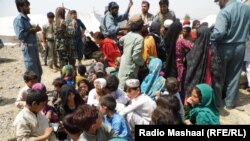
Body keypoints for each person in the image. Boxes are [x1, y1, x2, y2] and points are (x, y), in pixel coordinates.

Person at [211, 0, 250, 109]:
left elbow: (219, 32)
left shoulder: (224, 11)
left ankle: (217, 104)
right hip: (241, 46)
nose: (218, 4)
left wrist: (211, 38)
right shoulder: (247, 9)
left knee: (218, 76)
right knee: (234, 76)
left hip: (224, 46)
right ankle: (230, 103)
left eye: (218, 1)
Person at [185, 26, 222, 106]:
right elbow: (215, 68)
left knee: (193, 94)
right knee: (203, 95)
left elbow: (188, 60)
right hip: (207, 77)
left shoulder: (194, 47)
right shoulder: (211, 50)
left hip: (193, 78)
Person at [13, 0, 42, 82]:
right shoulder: (19, 20)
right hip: (28, 49)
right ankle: (34, 92)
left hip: (34, 47)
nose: (29, 8)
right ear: (21, 7)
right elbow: (20, 36)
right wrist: (32, 30)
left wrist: (34, 30)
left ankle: (37, 89)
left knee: (39, 71)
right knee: (32, 72)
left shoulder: (26, 19)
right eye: (26, 6)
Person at [118, 14, 145, 89]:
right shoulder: (139, 38)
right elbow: (136, 56)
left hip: (123, 66)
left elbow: (120, 41)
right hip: (130, 70)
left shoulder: (128, 35)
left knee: (121, 88)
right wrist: (143, 63)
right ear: (141, 26)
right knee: (129, 90)